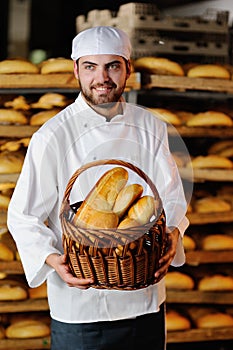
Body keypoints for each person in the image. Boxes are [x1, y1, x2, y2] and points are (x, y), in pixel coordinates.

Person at [7, 26, 189, 350]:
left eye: (112, 66)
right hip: (80, 307)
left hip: (145, 302)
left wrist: (173, 232)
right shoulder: (53, 136)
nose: (101, 78)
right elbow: (22, 215)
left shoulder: (152, 126)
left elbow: (172, 194)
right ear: (75, 70)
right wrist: (52, 259)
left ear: (128, 69)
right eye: (90, 67)